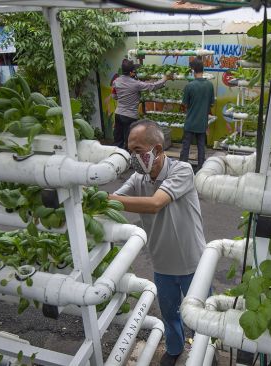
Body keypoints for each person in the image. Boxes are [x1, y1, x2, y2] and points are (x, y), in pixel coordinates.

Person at [109, 120, 206, 366]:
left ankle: (205, 351)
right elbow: (116, 199)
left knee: (201, 316)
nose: (133, 157)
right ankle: (174, 348)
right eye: (130, 151)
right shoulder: (138, 179)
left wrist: (107, 199)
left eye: (138, 151)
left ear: (158, 150)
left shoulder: (181, 169)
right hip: (162, 263)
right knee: (169, 312)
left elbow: (154, 204)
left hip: (193, 261)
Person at [112, 58, 169, 149]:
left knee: (118, 141)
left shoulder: (116, 81)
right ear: (131, 72)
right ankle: (128, 161)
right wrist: (164, 79)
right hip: (129, 116)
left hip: (118, 114)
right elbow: (152, 86)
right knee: (129, 142)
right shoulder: (136, 84)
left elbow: (114, 96)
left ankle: (116, 159)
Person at [180, 57, 215, 172]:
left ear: (193, 70)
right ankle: (201, 169)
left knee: (186, 147)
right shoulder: (209, 86)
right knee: (201, 147)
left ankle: (183, 169)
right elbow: (211, 104)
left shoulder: (189, 86)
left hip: (190, 122)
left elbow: (184, 105)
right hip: (202, 122)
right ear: (202, 70)